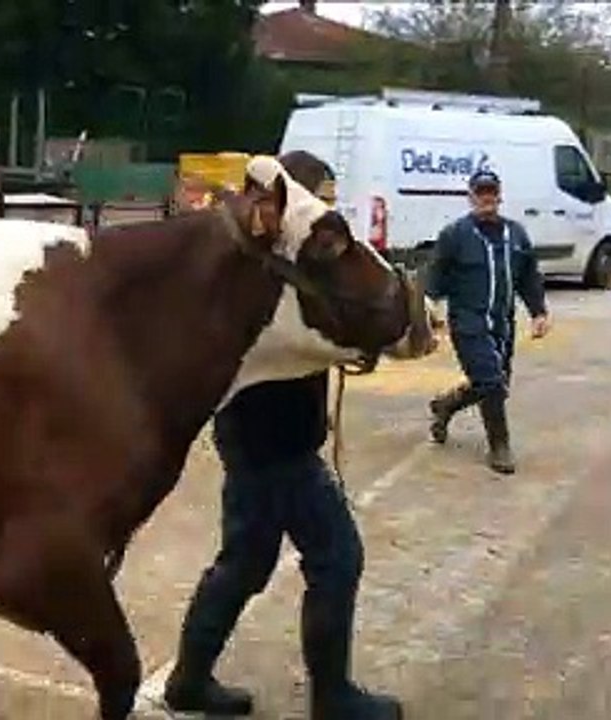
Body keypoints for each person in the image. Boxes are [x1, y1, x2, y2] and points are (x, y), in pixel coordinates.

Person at [161, 151, 403, 720]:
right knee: (336, 558)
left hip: (252, 440)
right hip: (277, 443)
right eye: (322, 195)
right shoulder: (269, 268)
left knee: (244, 563)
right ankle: (333, 698)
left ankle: (188, 682)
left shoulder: (267, 258)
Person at [424, 169, 551, 474]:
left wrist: (539, 312)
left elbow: (528, 278)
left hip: (502, 325)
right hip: (468, 323)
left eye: (491, 192)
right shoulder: (455, 235)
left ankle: (446, 405)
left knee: (496, 384)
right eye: (480, 192)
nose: (486, 198)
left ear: (499, 195)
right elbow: (434, 278)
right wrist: (429, 311)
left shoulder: (516, 235)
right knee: (491, 383)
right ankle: (500, 447)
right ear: (471, 196)